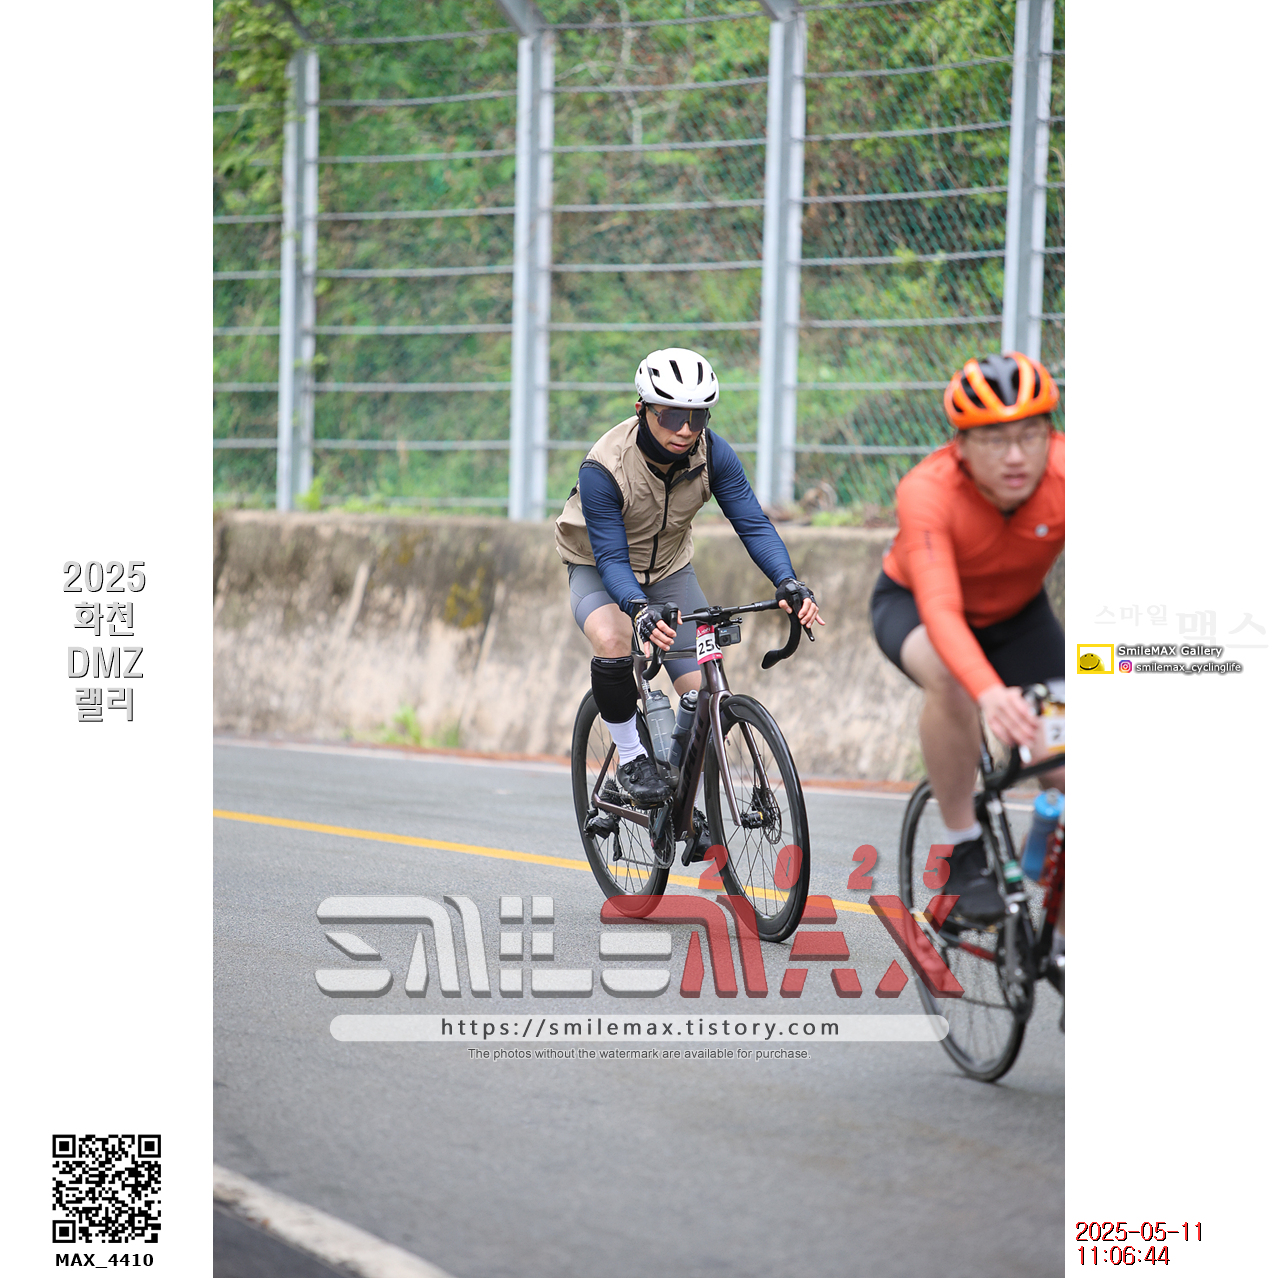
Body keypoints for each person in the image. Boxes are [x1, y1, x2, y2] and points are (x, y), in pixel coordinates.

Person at [555, 347, 823, 810]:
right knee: (613, 639)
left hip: (669, 569)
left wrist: (787, 581)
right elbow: (613, 558)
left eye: (697, 417)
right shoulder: (604, 468)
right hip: (599, 566)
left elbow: (753, 524)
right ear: (642, 410)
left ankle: (686, 805)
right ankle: (631, 757)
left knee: (703, 694)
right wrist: (638, 609)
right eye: (672, 416)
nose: (685, 429)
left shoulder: (713, 453)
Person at [872, 352, 1064, 924]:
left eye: (1030, 436)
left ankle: (1057, 935)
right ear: (960, 445)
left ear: (1051, 435)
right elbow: (941, 609)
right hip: (915, 608)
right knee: (953, 680)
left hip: (1020, 617)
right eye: (994, 440)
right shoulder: (928, 490)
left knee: (1062, 763)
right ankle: (964, 847)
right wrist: (989, 692)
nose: (1015, 456)